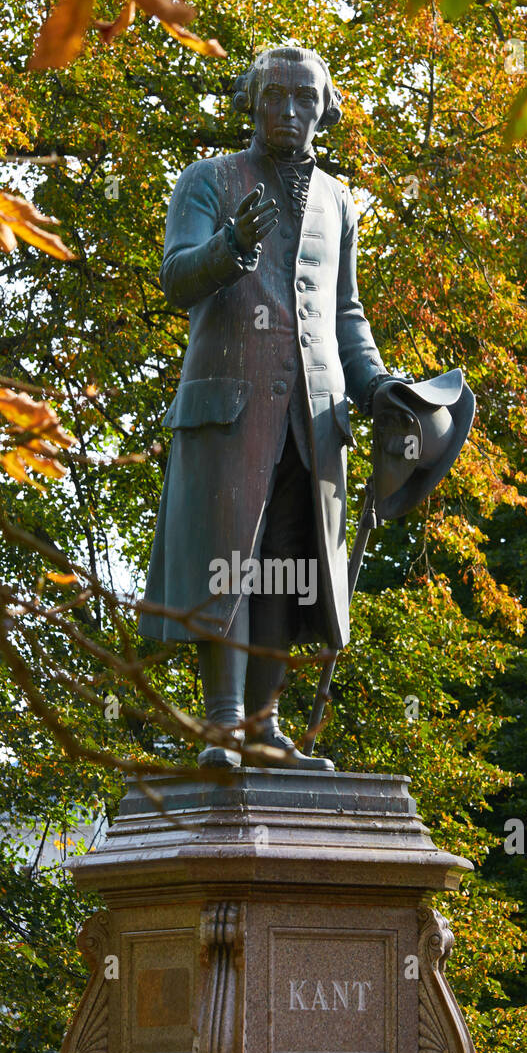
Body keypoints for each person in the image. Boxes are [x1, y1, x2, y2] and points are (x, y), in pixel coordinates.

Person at [141, 45, 392, 769]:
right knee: (231, 560)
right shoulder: (207, 181)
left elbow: (346, 313)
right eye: (274, 96)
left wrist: (373, 384)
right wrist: (230, 246)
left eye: (303, 98)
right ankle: (220, 725)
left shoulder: (339, 201)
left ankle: (263, 724)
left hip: (314, 415)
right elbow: (177, 280)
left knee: (291, 561)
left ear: (324, 107)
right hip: (229, 406)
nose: (288, 111)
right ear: (250, 102)